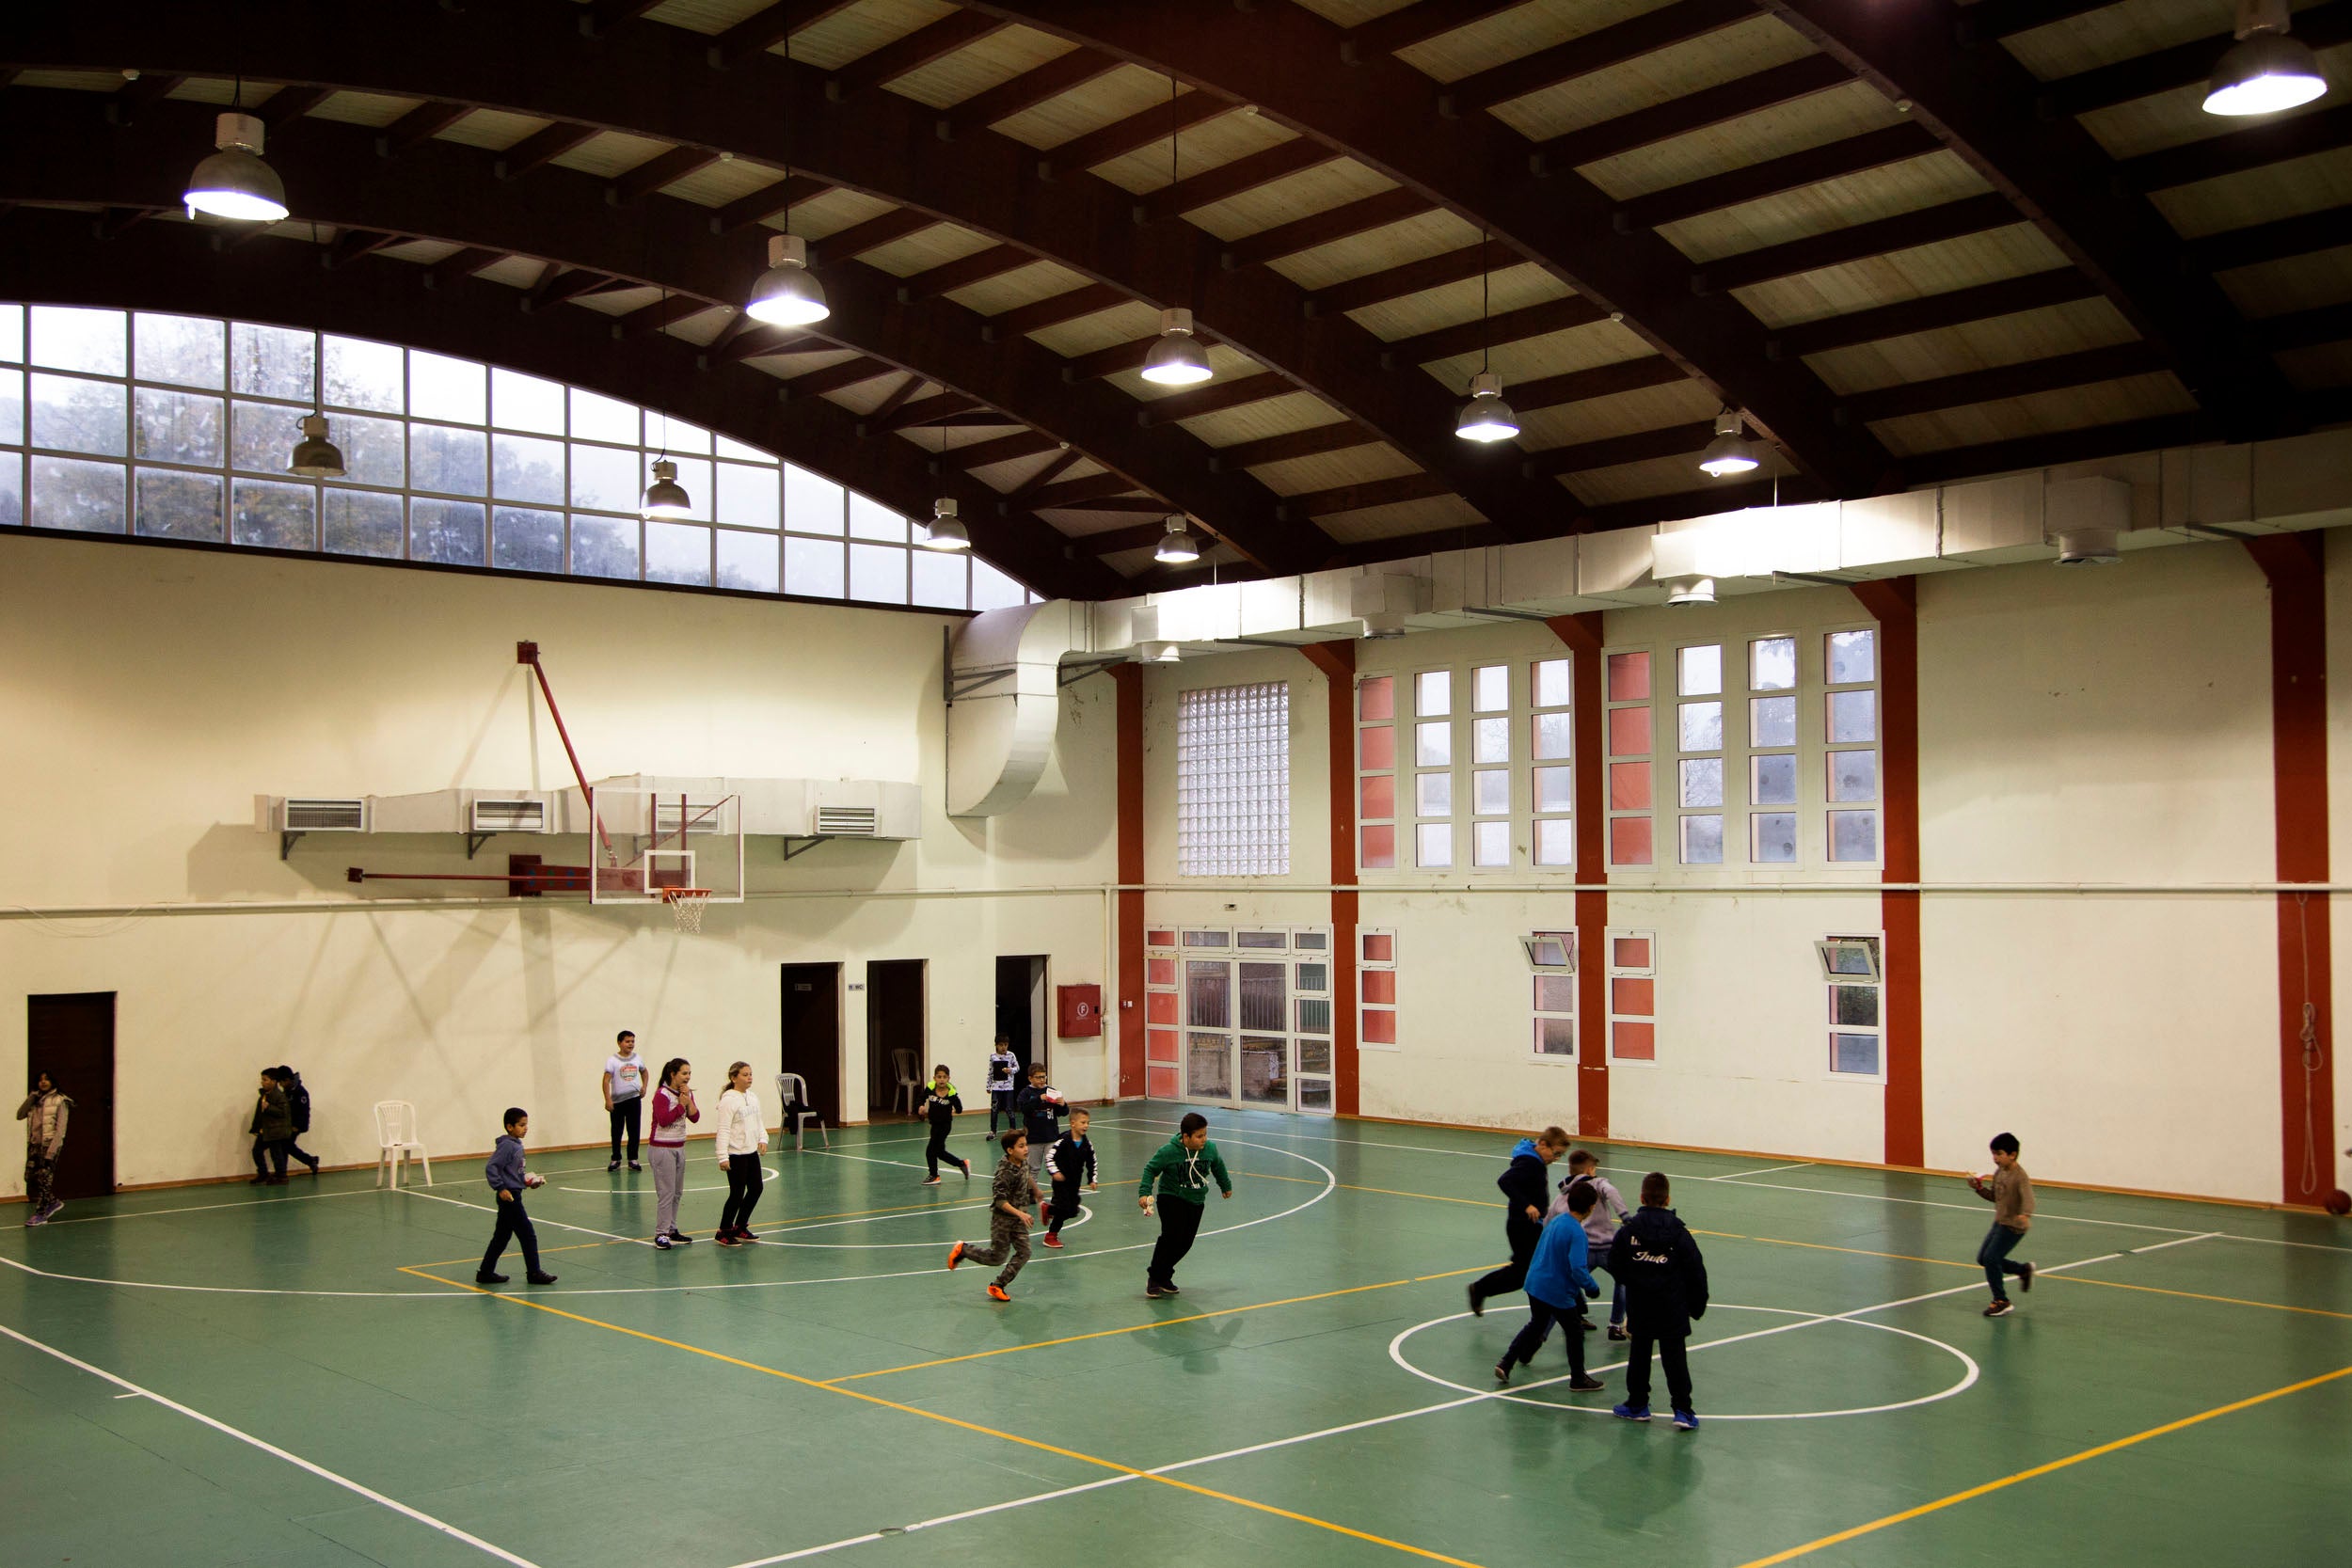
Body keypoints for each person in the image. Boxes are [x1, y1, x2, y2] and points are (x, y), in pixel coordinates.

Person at [1608, 1172, 1708, 1432]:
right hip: (1672, 1307)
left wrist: (1634, 1280)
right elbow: (1696, 1272)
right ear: (1668, 1199)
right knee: (1675, 1359)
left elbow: (1615, 1265)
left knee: (1639, 1355)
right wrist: (1696, 1307)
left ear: (1642, 1197)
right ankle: (1683, 1410)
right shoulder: (1680, 1234)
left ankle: (1638, 1404)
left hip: (1640, 1305)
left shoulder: (1628, 1232)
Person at [1495, 1179, 1607, 1392]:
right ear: (1591, 1208)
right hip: (1556, 1290)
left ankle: (1506, 1362)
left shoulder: (1556, 1221)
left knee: (1536, 1324)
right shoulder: (1577, 1233)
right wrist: (1592, 1288)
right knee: (1575, 1332)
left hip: (1535, 1283)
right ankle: (1578, 1378)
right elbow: (1577, 1269)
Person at [1467, 1126, 1567, 1318]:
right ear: (1543, 1145)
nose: (1556, 1159)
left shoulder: (1534, 1161)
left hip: (1532, 1225)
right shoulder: (1530, 1163)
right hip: (1522, 1226)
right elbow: (1505, 1181)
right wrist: (1527, 1205)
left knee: (1543, 1264)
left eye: (1560, 1156)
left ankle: (1570, 1313)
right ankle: (1480, 1288)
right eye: (1556, 1154)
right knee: (1523, 1272)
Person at [1136, 1111, 1232, 1299]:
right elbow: (1150, 1169)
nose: (1203, 1139)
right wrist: (1144, 1192)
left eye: (1205, 1134)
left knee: (1185, 1242)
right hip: (1171, 1196)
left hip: (1196, 1199)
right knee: (1171, 1236)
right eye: (1199, 1136)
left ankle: (1163, 1276)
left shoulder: (1210, 1149)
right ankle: (1155, 1277)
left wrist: (1225, 1185)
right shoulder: (1169, 1152)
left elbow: (1218, 1166)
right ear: (1185, 1136)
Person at [946, 1129, 1040, 1301]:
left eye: (1026, 1145)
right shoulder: (1003, 1172)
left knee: (1025, 1252)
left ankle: (997, 1285)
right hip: (1003, 1220)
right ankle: (963, 1249)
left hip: (1018, 1220)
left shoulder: (1023, 1161)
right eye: (1021, 1146)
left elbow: (1027, 1176)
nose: (1026, 1149)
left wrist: (1037, 1191)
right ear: (1010, 1150)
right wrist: (1021, 1214)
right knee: (997, 1258)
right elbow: (999, 1201)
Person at [1553, 1149, 1632, 1338]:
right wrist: (1625, 1217)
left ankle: (1575, 1316)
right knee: (1625, 1280)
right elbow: (1612, 1192)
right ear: (1589, 1170)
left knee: (1569, 1280)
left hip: (1583, 1247)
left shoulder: (1567, 1190)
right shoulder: (1599, 1183)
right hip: (1607, 1248)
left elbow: (1555, 1214)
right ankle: (1615, 1325)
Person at [477, 1107, 557, 1287]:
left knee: (502, 1236)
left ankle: (485, 1272)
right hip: (510, 1197)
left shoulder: (517, 1145)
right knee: (528, 1234)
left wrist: (528, 1181)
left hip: (515, 1193)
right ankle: (534, 1272)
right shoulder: (507, 1146)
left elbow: (514, 1173)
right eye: (521, 1125)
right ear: (510, 1127)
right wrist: (500, 1188)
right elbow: (492, 1167)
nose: (525, 1128)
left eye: (526, 1125)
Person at [1967, 1132, 2037, 1317]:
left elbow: (2029, 1199)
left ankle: (2001, 1300)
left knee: (1991, 1258)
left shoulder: (2020, 1176)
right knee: (1983, 1258)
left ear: (2012, 1155)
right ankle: (2022, 1270)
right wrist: (1979, 1189)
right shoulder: (1999, 1173)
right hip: (1999, 1222)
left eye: (1999, 1154)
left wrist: (2025, 1214)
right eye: (1993, 1154)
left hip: (2014, 1226)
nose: (1995, 1158)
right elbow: (1995, 1197)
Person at [711, 1061, 770, 1245]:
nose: (749, 1077)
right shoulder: (728, 1100)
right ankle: (724, 1230)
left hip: (751, 1151)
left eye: (750, 1074)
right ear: (734, 1078)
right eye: (745, 1074)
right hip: (735, 1153)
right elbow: (723, 1129)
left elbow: (758, 1121)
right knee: (736, 1193)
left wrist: (763, 1138)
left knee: (756, 1188)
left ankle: (740, 1226)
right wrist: (722, 1156)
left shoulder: (752, 1097)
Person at [648, 1058, 699, 1250]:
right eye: (684, 1073)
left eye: (689, 1074)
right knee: (666, 1193)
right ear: (673, 1074)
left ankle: (672, 1229)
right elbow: (663, 1120)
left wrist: (688, 1102)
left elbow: (695, 1117)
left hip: (679, 1147)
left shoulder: (686, 1093)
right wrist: (680, 1105)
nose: (687, 1077)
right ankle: (660, 1233)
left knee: (677, 1192)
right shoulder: (662, 1094)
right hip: (662, 1149)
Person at [15, 1070, 70, 1226]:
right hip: (34, 1145)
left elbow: (60, 1130)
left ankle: (41, 1213)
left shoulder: (60, 1101)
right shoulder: (35, 1101)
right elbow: (19, 1115)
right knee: (30, 1177)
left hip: (49, 1145)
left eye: (46, 1079)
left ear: (53, 1081)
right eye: (40, 1080)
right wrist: (32, 1096)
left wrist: (51, 1152)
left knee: (44, 1179)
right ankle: (53, 1202)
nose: (43, 1082)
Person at [1042, 1106, 1099, 1249]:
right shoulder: (1063, 1141)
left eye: (1088, 1123)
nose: (1086, 1126)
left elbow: (1092, 1161)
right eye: (1083, 1122)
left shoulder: (1086, 1143)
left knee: (1073, 1211)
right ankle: (1051, 1236)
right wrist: (1054, 1172)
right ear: (1073, 1123)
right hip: (1060, 1182)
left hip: (1074, 1183)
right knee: (1063, 1209)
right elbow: (1050, 1157)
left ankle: (1048, 1210)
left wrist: (1092, 1178)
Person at [916, 1065, 972, 1186]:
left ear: (948, 1078)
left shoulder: (951, 1093)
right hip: (934, 1124)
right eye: (939, 1077)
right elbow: (921, 1098)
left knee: (930, 1151)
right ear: (934, 1078)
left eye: (944, 1077)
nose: (942, 1079)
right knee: (940, 1152)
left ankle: (934, 1175)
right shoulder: (930, 1088)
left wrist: (954, 1109)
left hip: (945, 1125)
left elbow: (959, 1109)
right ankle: (962, 1164)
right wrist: (921, 1105)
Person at [602, 1029, 648, 1173]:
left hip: (634, 1100)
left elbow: (644, 1072)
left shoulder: (637, 1058)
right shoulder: (612, 1060)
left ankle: (633, 1159)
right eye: (627, 1041)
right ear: (619, 1043)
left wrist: (644, 1087)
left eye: (632, 1041)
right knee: (616, 1131)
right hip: (617, 1102)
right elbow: (606, 1080)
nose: (631, 1044)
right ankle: (615, 1159)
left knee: (634, 1130)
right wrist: (608, 1099)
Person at [1016, 1065, 1065, 1182]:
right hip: (1033, 1138)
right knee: (1033, 1168)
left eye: (1044, 1077)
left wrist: (1063, 1104)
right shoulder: (1025, 1093)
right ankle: (1031, 1192)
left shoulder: (1051, 1091)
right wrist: (1039, 1099)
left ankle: (1057, 1193)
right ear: (1030, 1078)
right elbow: (1024, 1109)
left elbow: (1062, 1113)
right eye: (1038, 1077)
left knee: (1055, 1167)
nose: (1042, 1080)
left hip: (1051, 1137)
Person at [273, 1065, 322, 1175]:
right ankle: (308, 1161)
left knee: (285, 1145)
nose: (280, 1085)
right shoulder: (288, 1090)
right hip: (288, 1125)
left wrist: (297, 1126)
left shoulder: (300, 1092)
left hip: (296, 1126)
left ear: (287, 1080)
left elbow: (303, 1111)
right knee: (286, 1146)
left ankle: (308, 1161)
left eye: (281, 1082)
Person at [248, 1069, 294, 1185]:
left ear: (274, 1081)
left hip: (276, 1130)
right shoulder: (264, 1095)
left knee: (276, 1154)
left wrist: (269, 1107)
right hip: (266, 1130)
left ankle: (282, 1176)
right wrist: (255, 1127)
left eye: (265, 1080)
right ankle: (263, 1173)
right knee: (257, 1151)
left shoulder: (279, 1096)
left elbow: (283, 1112)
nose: (262, 1082)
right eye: (262, 1080)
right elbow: (259, 1114)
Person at [985, 1037, 1020, 1132]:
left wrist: (1010, 1070)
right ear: (996, 1045)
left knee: (1009, 1109)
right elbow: (990, 1071)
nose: (1003, 1047)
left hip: (1008, 1088)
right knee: (994, 1109)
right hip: (996, 1088)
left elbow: (1017, 1068)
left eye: (1005, 1045)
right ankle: (993, 1131)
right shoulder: (993, 1056)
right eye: (1001, 1045)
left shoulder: (1011, 1055)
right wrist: (988, 1086)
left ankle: (1013, 1130)